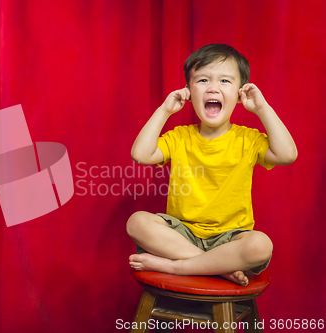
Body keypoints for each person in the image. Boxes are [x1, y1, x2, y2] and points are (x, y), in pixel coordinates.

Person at [127, 44, 297, 286]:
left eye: (225, 81)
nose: (213, 88)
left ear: (240, 93)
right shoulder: (180, 136)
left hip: (230, 240)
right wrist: (164, 111)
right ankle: (214, 267)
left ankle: (178, 267)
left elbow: (287, 154)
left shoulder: (247, 139)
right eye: (203, 80)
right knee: (137, 222)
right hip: (181, 235)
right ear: (188, 91)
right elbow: (140, 154)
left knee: (261, 245)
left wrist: (262, 108)